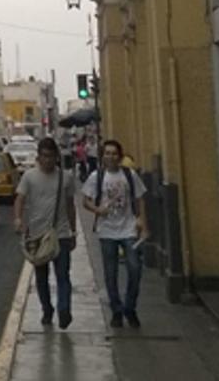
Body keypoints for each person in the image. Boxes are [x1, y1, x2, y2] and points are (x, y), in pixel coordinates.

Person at [79, 139, 146, 328]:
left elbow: (140, 198)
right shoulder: (96, 176)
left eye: (114, 153)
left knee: (135, 268)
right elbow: (85, 201)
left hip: (129, 228)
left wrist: (142, 222)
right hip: (106, 230)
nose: (111, 156)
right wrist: (97, 210)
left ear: (120, 156)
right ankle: (116, 310)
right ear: (102, 156)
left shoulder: (129, 174)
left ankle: (130, 307)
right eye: (107, 153)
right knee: (110, 272)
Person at [13, 137, 77, 328]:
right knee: (41, 277)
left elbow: (70, 205)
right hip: (38, 235)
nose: (48, 160)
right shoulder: (29, 177)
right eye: (44, 156)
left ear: (56, 157)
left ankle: (64, 310)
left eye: (51, 156)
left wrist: (74, 231)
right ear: (39, 157)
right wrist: (18, 219)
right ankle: (47, 309)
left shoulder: (66, 177)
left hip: (61, 234)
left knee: (63, 275)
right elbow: (20, 200)